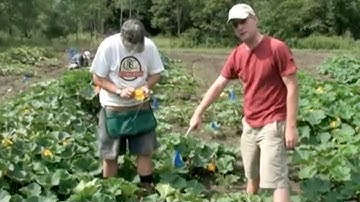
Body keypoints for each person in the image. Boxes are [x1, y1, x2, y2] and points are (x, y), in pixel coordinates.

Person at [188, 3, 299, 202]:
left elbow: (292, 87)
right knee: (251, 175)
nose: (239, 27)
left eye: (243, 21)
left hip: (273, 125)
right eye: (235, 24)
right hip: (249, 124)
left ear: (254, 20)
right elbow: (218, 85)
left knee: (277, 180)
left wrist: (290, 127)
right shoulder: (237, 54)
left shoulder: (276, 48)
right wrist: (198, 113)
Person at [89, 19, 164, 192]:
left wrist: (146, 86)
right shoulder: (108, 46)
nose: (134, 48)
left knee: (145, 151)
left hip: (140, 108)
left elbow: (156, 73)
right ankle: (110, 191)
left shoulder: (149, 47)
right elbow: (97, 78)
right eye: (131, 44)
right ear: (122, 37)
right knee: (110, 155)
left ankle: (147, 189)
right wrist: (118, 90)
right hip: (113, 108)